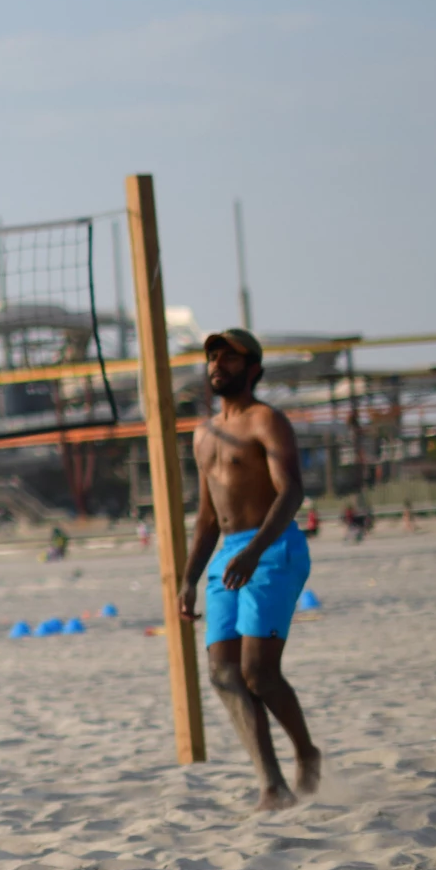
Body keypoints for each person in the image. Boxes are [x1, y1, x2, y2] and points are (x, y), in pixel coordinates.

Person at [180, 329, 322, 812]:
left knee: (258, 673)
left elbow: (292, 492)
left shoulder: (267, 420)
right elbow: (205, 517)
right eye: (212, 356)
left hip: (272, 545)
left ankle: (306, 753)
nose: (217, 363)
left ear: (253, 368)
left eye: (229, 356)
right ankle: (272, 784)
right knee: (223, 674)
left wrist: (255, 550)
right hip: (227, 555)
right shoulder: (203, 434)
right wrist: (189, 578)